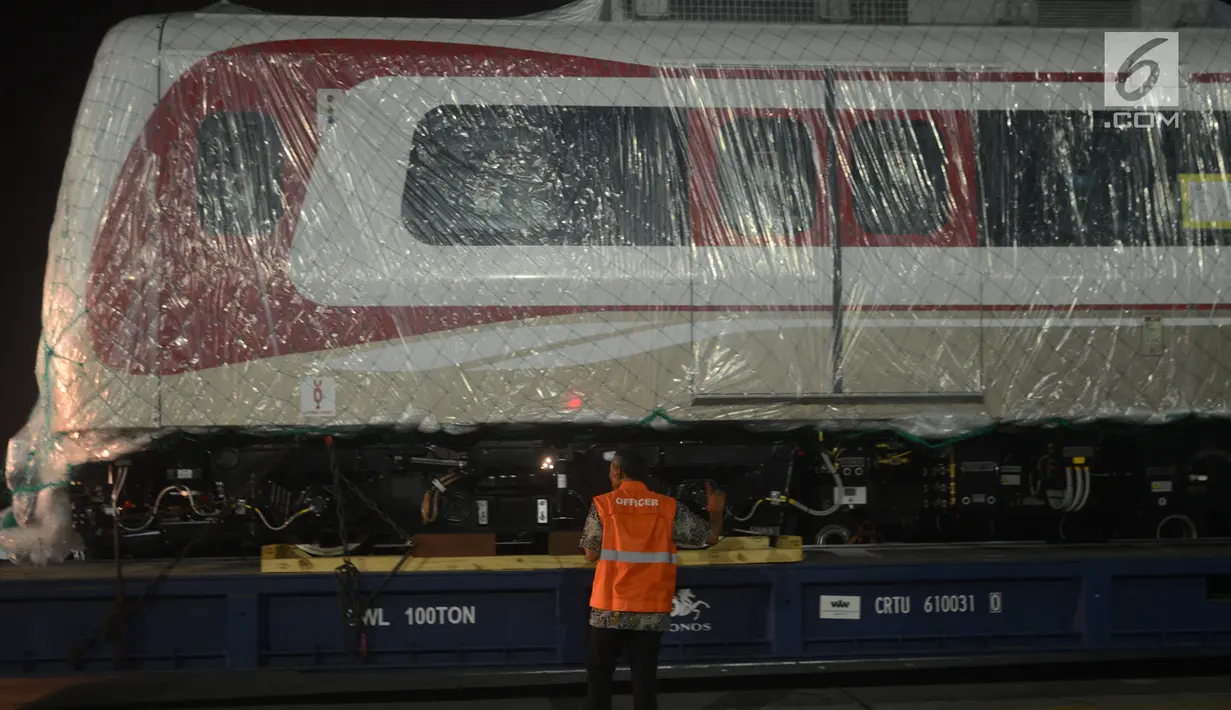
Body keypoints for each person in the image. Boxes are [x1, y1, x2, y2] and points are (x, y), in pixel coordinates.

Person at [580, 447, 725, 710]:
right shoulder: (667, 506)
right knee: (644, 680)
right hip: (651, 606)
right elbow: (709, 538)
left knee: (600, 676)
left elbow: (591, 553)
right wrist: (715, 511)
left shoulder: (603, 504)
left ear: (617, 471)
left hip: (610, 606)